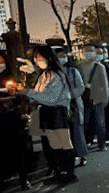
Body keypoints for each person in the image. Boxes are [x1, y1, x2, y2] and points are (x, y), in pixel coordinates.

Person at [14, 46, 77, 184]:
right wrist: (24, 91)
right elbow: (37, 95)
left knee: (64, 143)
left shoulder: (56, 75)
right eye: (36, 58)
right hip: (47, 112)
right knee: (54, 144)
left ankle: (70, 173)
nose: (38, 60)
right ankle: (60, 172)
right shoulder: (43, 75)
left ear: (49, 57)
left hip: (57, 112)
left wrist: (26, 92)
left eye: (40, 57)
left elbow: (51, 98)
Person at [0, 50, 31, 193]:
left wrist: (16, 95)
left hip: (11, 118)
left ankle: (24, 177)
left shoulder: (11, 77)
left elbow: (20, 97)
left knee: (18, 149)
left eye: (1, 61)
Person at [55, 47, 88, 166]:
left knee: (77, 131)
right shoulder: (53, 73)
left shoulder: (73, 71)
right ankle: (69, 156)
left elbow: (81, 87)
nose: (61, 58)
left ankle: (81, 154)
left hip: (74, 105)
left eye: (63, 56)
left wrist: (69, 95)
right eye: (58, 56)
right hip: (60, 107)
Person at [78, 44, 109, 152]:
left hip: (98, 98)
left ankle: (102, 143)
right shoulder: (79, 67)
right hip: (84, 98)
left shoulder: (99, 67)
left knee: (100, 122)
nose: (88, 53)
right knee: (85, 122)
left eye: (91, 50)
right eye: (86, 50)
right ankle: (87, 141)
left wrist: (105, 99)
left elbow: (104, 84)